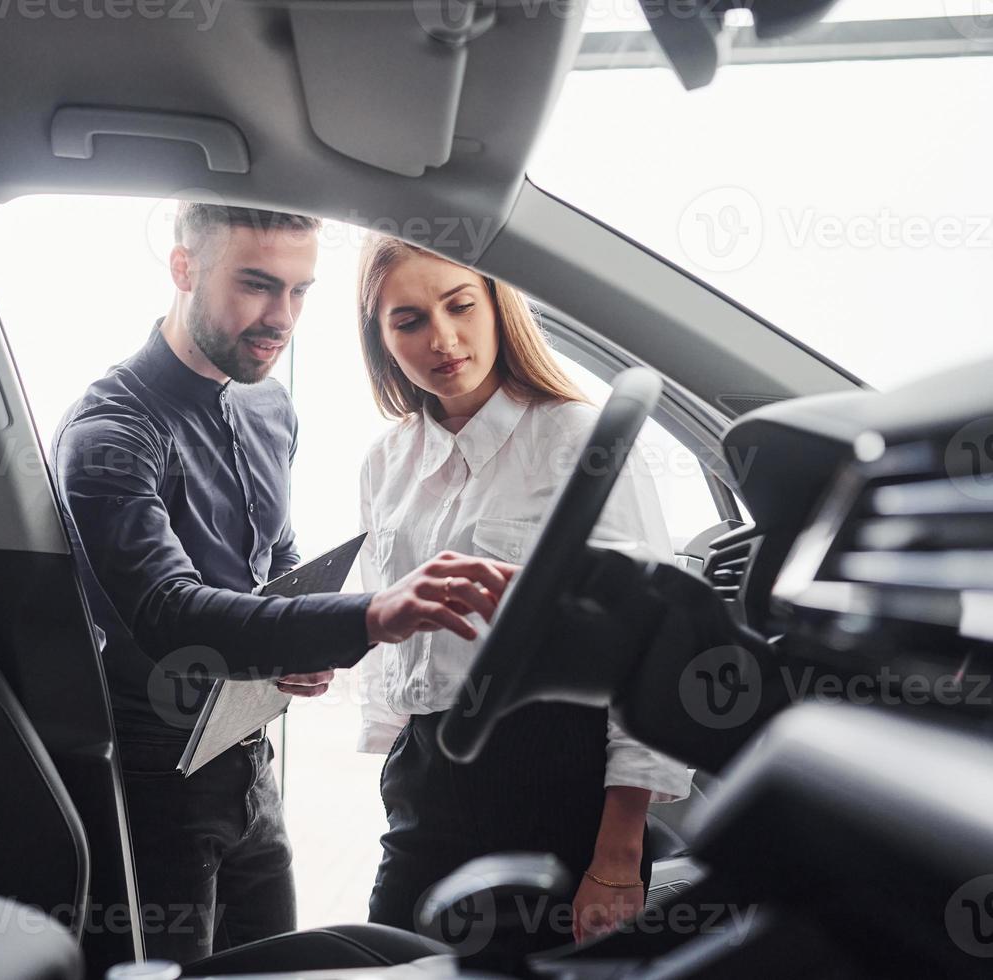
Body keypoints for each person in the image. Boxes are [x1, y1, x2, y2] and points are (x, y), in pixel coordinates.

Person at [51, 204, 515, 964]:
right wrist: (369, 614)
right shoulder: (110, 432)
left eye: (301, 291)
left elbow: (274, 557)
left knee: (285, 964)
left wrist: (301, 640)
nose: (282, 318)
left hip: (246, 760)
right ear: (183, 270)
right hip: (151, 781)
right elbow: (169, 613)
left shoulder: (269, 403)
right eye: (259, 287)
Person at [352, 235, 692, 963]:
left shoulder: (578, 438)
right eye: (408, 321)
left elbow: (650, 651)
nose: (442, 339)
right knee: (390, 962)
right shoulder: (385, 461)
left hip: (554, 779)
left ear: (498, 303)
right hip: (426, 780)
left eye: (459, 305)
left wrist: (618, 853)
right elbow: (392, 634)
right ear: (381, 340)